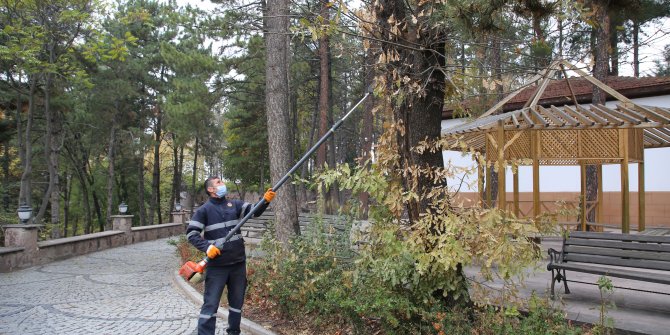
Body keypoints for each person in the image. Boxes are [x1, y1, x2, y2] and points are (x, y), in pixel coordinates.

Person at [186, 176, 276, 335]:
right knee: (211, 305)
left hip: (238, 265)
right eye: (218, 183)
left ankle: (234, 332)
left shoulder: (234, 204)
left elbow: (254, 211)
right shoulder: (204, 210)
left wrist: (265, 201)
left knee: (236, 304)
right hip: (217, 267)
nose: (223, 184)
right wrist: (207, 247)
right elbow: (191, 234)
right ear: (211, 189)